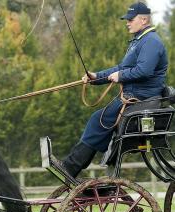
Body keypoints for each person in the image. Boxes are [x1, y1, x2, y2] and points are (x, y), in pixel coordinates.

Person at [57, 2, 168, 178]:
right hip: (132, 96)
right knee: (98, 121)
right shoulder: (139, 41)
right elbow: (120, 68)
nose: (127, 22)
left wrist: (121, 75)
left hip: (141, 99)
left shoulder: (151, 42)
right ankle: (77, 168)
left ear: (144, 19)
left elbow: (144, 70)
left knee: (98, 120)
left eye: (131, 19)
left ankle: (71, 167)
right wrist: (96, 77)